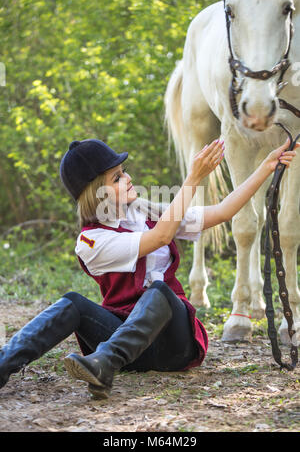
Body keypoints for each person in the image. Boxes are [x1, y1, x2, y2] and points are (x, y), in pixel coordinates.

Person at [0, 137, 298, 400]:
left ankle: (104, 361)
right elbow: (161, 238)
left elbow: (222, 211)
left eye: (124, 171)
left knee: (159, 291)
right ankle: (5, 363)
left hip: (174, 344)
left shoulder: (144, 211)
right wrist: (192, 179)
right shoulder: (91, 241)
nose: (127, 178)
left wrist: (266, 167)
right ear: (97, 194)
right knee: (72, 303)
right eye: (116, 178)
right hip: (129, 351)